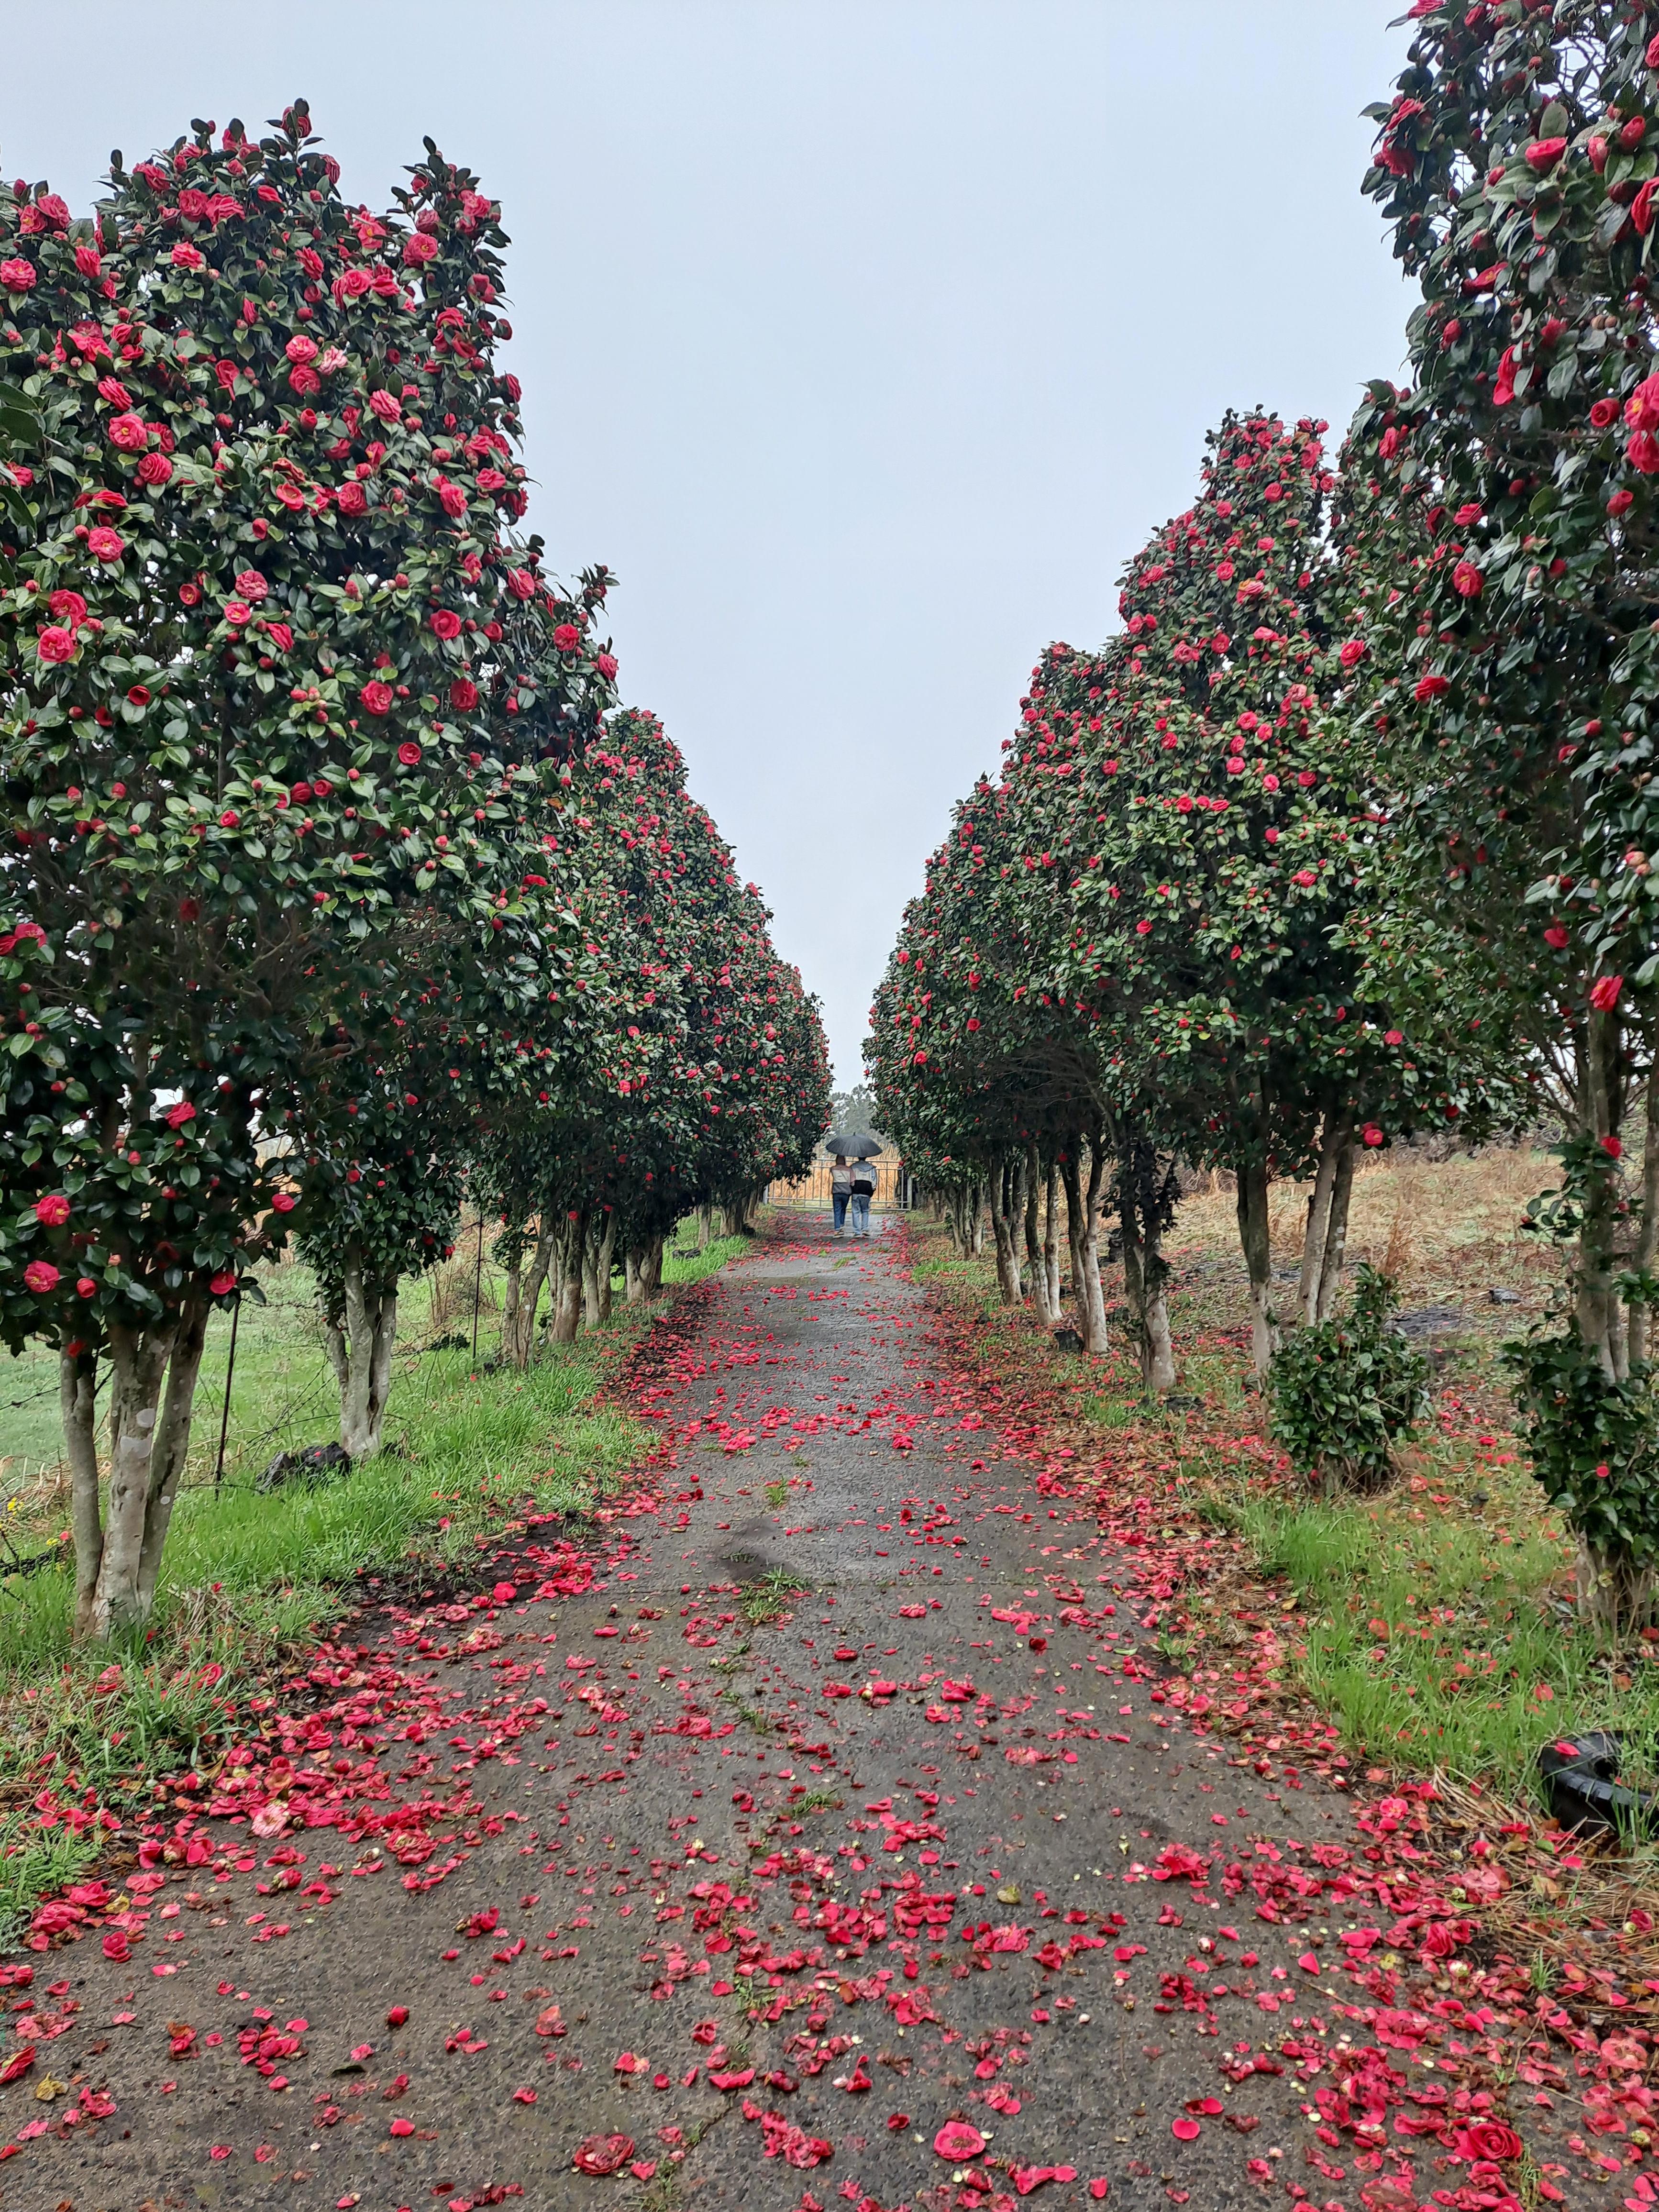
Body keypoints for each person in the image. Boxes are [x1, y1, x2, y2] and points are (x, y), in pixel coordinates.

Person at [849, 1154, 877, 1238]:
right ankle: (865, 1229)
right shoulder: (871, 1168)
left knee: (856, 1211)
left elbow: (850, 1179)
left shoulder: (853, 1167)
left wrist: (852, 1187)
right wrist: (872, 1189)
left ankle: (857, 1231)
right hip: (866, 1191)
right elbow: (874, 1181)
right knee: (865, 1210)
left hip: (856, 1190)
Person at [830, 1154, 852, 1233]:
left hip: (836, 1191)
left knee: (837, 1210)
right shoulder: (849, 1169)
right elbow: (852, 1181)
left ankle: (837, 1228)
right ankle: (842, 1224)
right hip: (846, 1192)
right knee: (843, 1209)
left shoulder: (833, 1169)